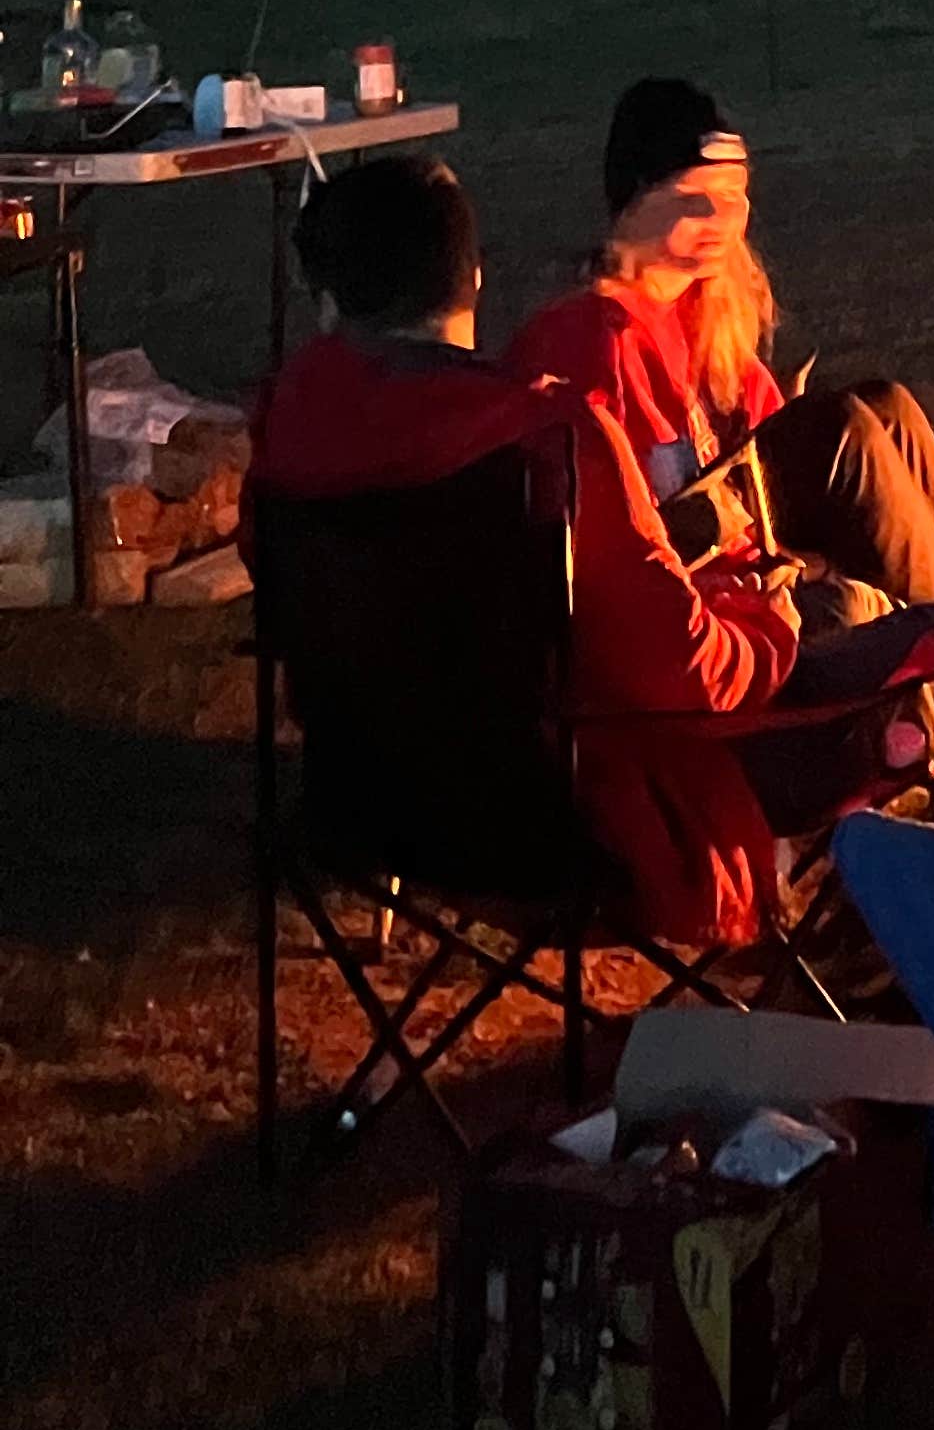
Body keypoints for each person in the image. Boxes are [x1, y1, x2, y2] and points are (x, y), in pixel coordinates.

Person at [252, 155, 806, 947]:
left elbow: (285, 604)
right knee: (896, 646)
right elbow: (680, 671)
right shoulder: (551, 441)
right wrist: (771, 622)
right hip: (565, 832)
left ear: (330, 302)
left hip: (359, 814)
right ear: (471, 280)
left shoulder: (290, 431)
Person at [507, 79, 934, 637]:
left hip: (769, 559)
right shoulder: (586, 341)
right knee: (840, 434)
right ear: (634, 199)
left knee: (886, 407)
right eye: (692, 196)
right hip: (698, 596)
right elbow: (609, 549)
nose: (719, 217)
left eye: (734, 196)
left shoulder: (710, 323)